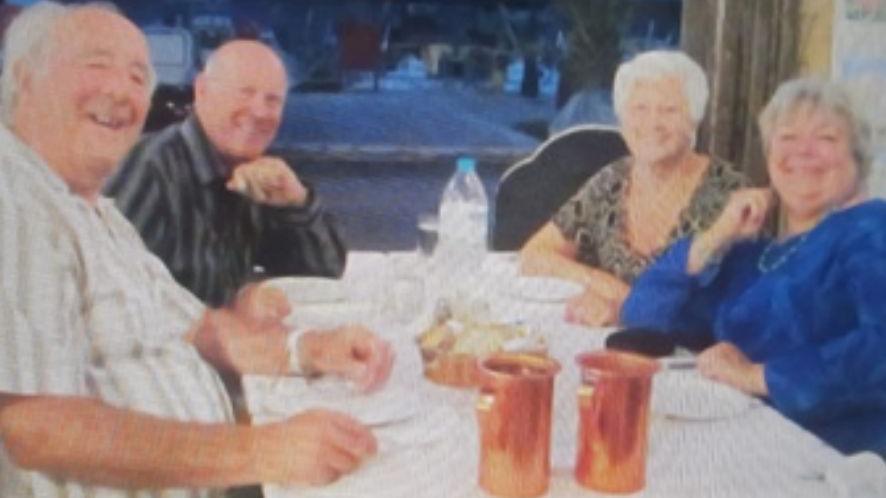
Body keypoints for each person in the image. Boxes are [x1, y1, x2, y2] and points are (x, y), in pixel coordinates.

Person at [0, 3, 393, 496]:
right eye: (96, 65)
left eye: (139, 76)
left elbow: (200, 328)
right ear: (24, 79)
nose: (122, 91)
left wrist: (307, 349)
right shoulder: (14, 200)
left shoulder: (96, 213)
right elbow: (32, 426)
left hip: (218, 464)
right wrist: (262, 451)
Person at [622, 78, 886, 455]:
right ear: (769, 157)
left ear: (857, 160)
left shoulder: (871, 227)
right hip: (738, 441)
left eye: (826, 139)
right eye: (787, 137)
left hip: (829, 458)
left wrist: (758, 377)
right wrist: (715, 235)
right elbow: (642, 316)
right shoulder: (754, 253)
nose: (804, 152)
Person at [105, 38, 345, 307]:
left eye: (272, 100)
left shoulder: (255, 177)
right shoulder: (150, 169)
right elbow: (111, 299)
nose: (259, 111)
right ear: (202, 91)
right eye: (245, 93)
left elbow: (322, 275)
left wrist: (296, 203)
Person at [520, 50, 746, 327]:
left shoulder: (728, 193)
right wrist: (600, 283)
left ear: (693, 120)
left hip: (691, 358)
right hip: (614, 349)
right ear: (622, 118)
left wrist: (624, 308)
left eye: (669, 110)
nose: (653, 123)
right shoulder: (612, 181)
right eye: (640, 109)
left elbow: (722, 310)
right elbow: (534, 256)